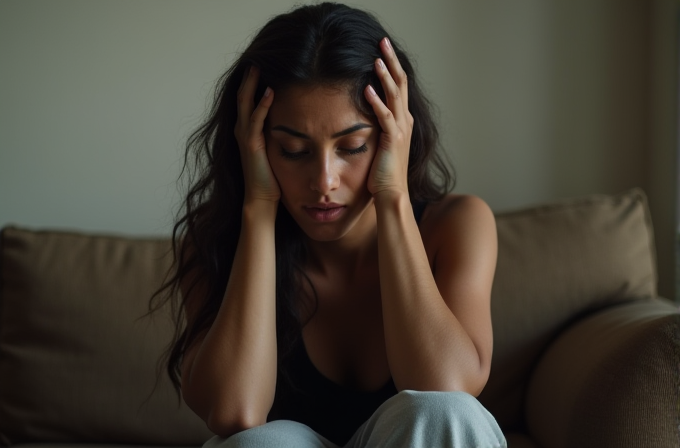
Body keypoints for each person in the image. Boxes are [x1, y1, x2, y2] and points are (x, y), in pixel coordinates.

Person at [152, 3, 506, 447]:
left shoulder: (456, 225)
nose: (324, 182)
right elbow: (234, 411)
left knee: (446, 410)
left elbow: (447, 391)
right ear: (255, 148)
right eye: (294, 151)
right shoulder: (211, 246)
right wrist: (258, 207)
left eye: (353, 146)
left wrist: (392, 197)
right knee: (262, 442)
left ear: (392, 135)